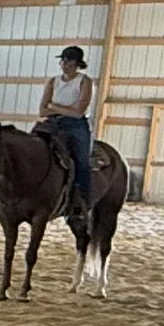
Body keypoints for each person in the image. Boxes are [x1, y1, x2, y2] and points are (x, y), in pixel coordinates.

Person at [37, 46, 97, 223]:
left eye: (68, 60)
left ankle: (81, 202)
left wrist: (53, 107)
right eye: (63, 60)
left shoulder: (84, 82)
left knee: (82, 162)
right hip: (52, 123)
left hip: (76, 125)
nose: (64, 64)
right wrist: (63, 110)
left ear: (77, 63)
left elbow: (79, 112)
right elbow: (41, 110)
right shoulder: (53, 81)